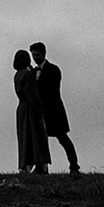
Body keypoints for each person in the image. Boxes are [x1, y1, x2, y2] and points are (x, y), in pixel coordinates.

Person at [30, 42, 79, 174]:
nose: (35, 57)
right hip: (42, 111)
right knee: (40, 140)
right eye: (33, 55)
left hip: (54, 111)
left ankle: (74, 166)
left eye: (37, 55)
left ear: (44, 54)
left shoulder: (53, 69)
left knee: (63, 138)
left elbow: (52, 91)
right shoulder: (34, 72)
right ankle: (41, 167)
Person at [12, 49, 50, 175]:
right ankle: (40, 164)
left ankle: (24, 165)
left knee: (24, 137)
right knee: (36, 136)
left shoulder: (17, 75)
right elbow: (32, 94)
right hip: (30, 108)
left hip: (21, 108)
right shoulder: (27, 75)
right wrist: (39, 108)